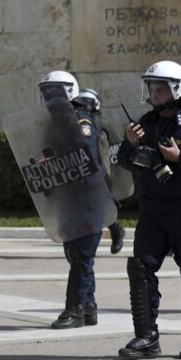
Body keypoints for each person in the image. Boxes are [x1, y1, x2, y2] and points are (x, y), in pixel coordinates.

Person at [116, 61, 181, 359]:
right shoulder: (146, 121)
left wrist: (179, 157)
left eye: (160, 88)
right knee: (140, 267)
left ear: (177, 88)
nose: (154, 92)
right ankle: (146, 337)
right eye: (151, 87)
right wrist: (130, 144)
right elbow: (126, 162)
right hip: (152, 211)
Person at [34, 73, 106, 329]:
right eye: (47, 91)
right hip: (69, 200)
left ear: (70, 92)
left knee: (81, 255)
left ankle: (74, 309)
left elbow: (83, 159)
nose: (50, 96)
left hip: (87, 199)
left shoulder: (80, 121)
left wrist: (55, 164)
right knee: (74, 253)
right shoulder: (54, 125)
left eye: (56, 91)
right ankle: (88, 306)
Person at [73, 89, 126, 255]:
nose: (86, 107)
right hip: (83, 171)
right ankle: (114, 230)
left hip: (101, 170)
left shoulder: (102, 121)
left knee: (99, 205)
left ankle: (113, 231)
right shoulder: (79, 120)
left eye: (88, 103)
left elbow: (113, 146)